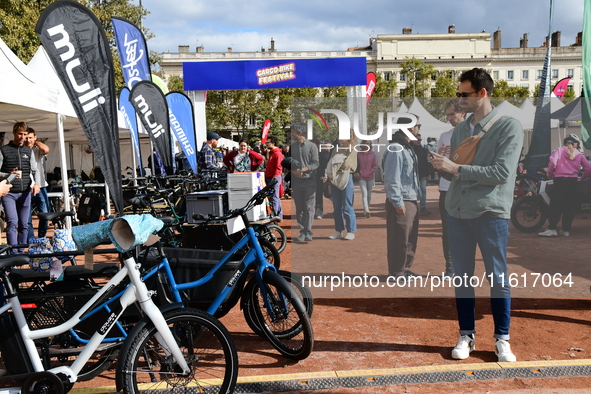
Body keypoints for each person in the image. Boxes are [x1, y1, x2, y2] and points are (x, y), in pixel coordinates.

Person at [429, 68, 523, 363]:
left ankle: (502, 339)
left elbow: (501, 173)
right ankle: (466, 334)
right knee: (462, 276)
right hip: (457, 210)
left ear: (482, 93)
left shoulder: (509, 127)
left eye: (463, 94)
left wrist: (455, 168)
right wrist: (442, 165)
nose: (458, 100)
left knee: (498, 275)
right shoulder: (459, 130)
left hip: (491, 210)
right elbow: (456, 170)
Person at [383, 115, 421, 278]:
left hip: (411, 199)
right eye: (418, 125)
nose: (419, 128)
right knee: (399, 239)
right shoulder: (396, 149)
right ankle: (396, 272)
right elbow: (392, 178)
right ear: (410, 128)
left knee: (410, 239)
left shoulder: (408, 148)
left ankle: (405, 268)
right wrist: (398, 202)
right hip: (402, 200)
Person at [538, 133, 591, 237]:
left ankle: (552, 228)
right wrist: (582, 178)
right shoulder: (579, 154)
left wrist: (550, 173)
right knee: (569, 206)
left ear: (565, 142)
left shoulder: (559, 150)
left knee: (556, 204)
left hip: (559, 180)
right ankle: (566, 230)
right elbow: (588, 169)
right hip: (573, 182)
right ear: (576, 144)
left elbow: (552, 162)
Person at [0, 122, 41, 252]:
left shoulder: (28, 151)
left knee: (24, 224)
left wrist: (36, 184)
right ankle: (13, 252)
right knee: (12, 222)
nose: (22, 137)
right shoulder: (4, 150)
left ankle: (21, 251)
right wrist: (8, 174)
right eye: (20, 134)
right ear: (14, 133)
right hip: (9, 193)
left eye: (24, 134)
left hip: (25, 192)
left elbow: (35, 170)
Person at [437, 98, 466, 277]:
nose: (449, 117)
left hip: (465, 188)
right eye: (447, 114)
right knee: (447, 230)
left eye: (452, 114)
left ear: (462, 112)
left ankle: (463, 266)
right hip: (446, 188)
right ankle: (450, 267)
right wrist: (438, 157)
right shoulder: (444, 136)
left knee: (467, 230)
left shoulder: (472, 134)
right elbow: (438, 165)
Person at [290, 122, 319, 242]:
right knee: (299, 207)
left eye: (292, 132)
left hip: (310, 181)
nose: (291, 134)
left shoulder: (312, 147)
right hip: (297, 182)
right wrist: (293, 171)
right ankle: (302, 231)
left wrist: (303, 169)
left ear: (299, 133)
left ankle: (308, 231)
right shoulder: (292, 147)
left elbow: (316, 163)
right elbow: (288, 162)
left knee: (309, 207)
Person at [326, 131, 358, 240]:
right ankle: (338, 230)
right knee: (337, 207)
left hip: (346, 178)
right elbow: (330, 163)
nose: (338, 137)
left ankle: (351, 231)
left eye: (341, 135)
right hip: (335, 178)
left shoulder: (352, 149)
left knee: (347, 205)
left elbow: (347, 165)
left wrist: (336, 162)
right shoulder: (336, 149)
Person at [26, 128, 51, 240]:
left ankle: (42, 237)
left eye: (30, 137)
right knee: (27, 217)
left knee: (45, 213)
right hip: (26, 187)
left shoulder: (37, 149)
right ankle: (30, 240)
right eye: (26, 137)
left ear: (35, 137)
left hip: (40, 185)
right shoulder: (21, 149)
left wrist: (34, 142)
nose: (28, 140)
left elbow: (46, 149)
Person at [355, 140, 377, 218]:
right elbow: (356, 165)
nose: (368, 144)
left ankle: (367, 208)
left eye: (369, 143)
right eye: (366, 143)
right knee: (364, 193)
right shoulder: (359, 154)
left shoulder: (373, 154)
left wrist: (370, 172)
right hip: (361, 177)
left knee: (369, 194)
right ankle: (366, 210)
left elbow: (375, 166)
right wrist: (358, 172)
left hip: (370, 177)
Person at [264, 136, 284, 219]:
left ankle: (275, 215)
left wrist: (275, 177)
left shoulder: (277, 154)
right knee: (274, 196)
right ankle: (278, 215)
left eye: (268, 142)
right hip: (271, 176)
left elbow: (278, 167)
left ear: (273, 143)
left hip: (274, 177)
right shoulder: (273, 153)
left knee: (274, 196)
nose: (266, 144)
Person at [312, 138, 330, 219]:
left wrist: (322, 174)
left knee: (319, 195)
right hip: (309, 177)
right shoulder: (307, 154)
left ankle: (319, 213)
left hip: (319, 177)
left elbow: (323, 165)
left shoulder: (322, 154)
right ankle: (309, 212)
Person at [412, 132, 430, 215]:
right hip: (412, 175)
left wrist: (427, 173)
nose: (419, 141)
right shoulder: (410, 150)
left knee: (423, 191)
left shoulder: (423, 150)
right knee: (413, 192)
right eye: (417, 139)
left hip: (422, 174)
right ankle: (413, 208)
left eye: (420, 139)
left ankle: (423, 207)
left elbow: (426, 162)